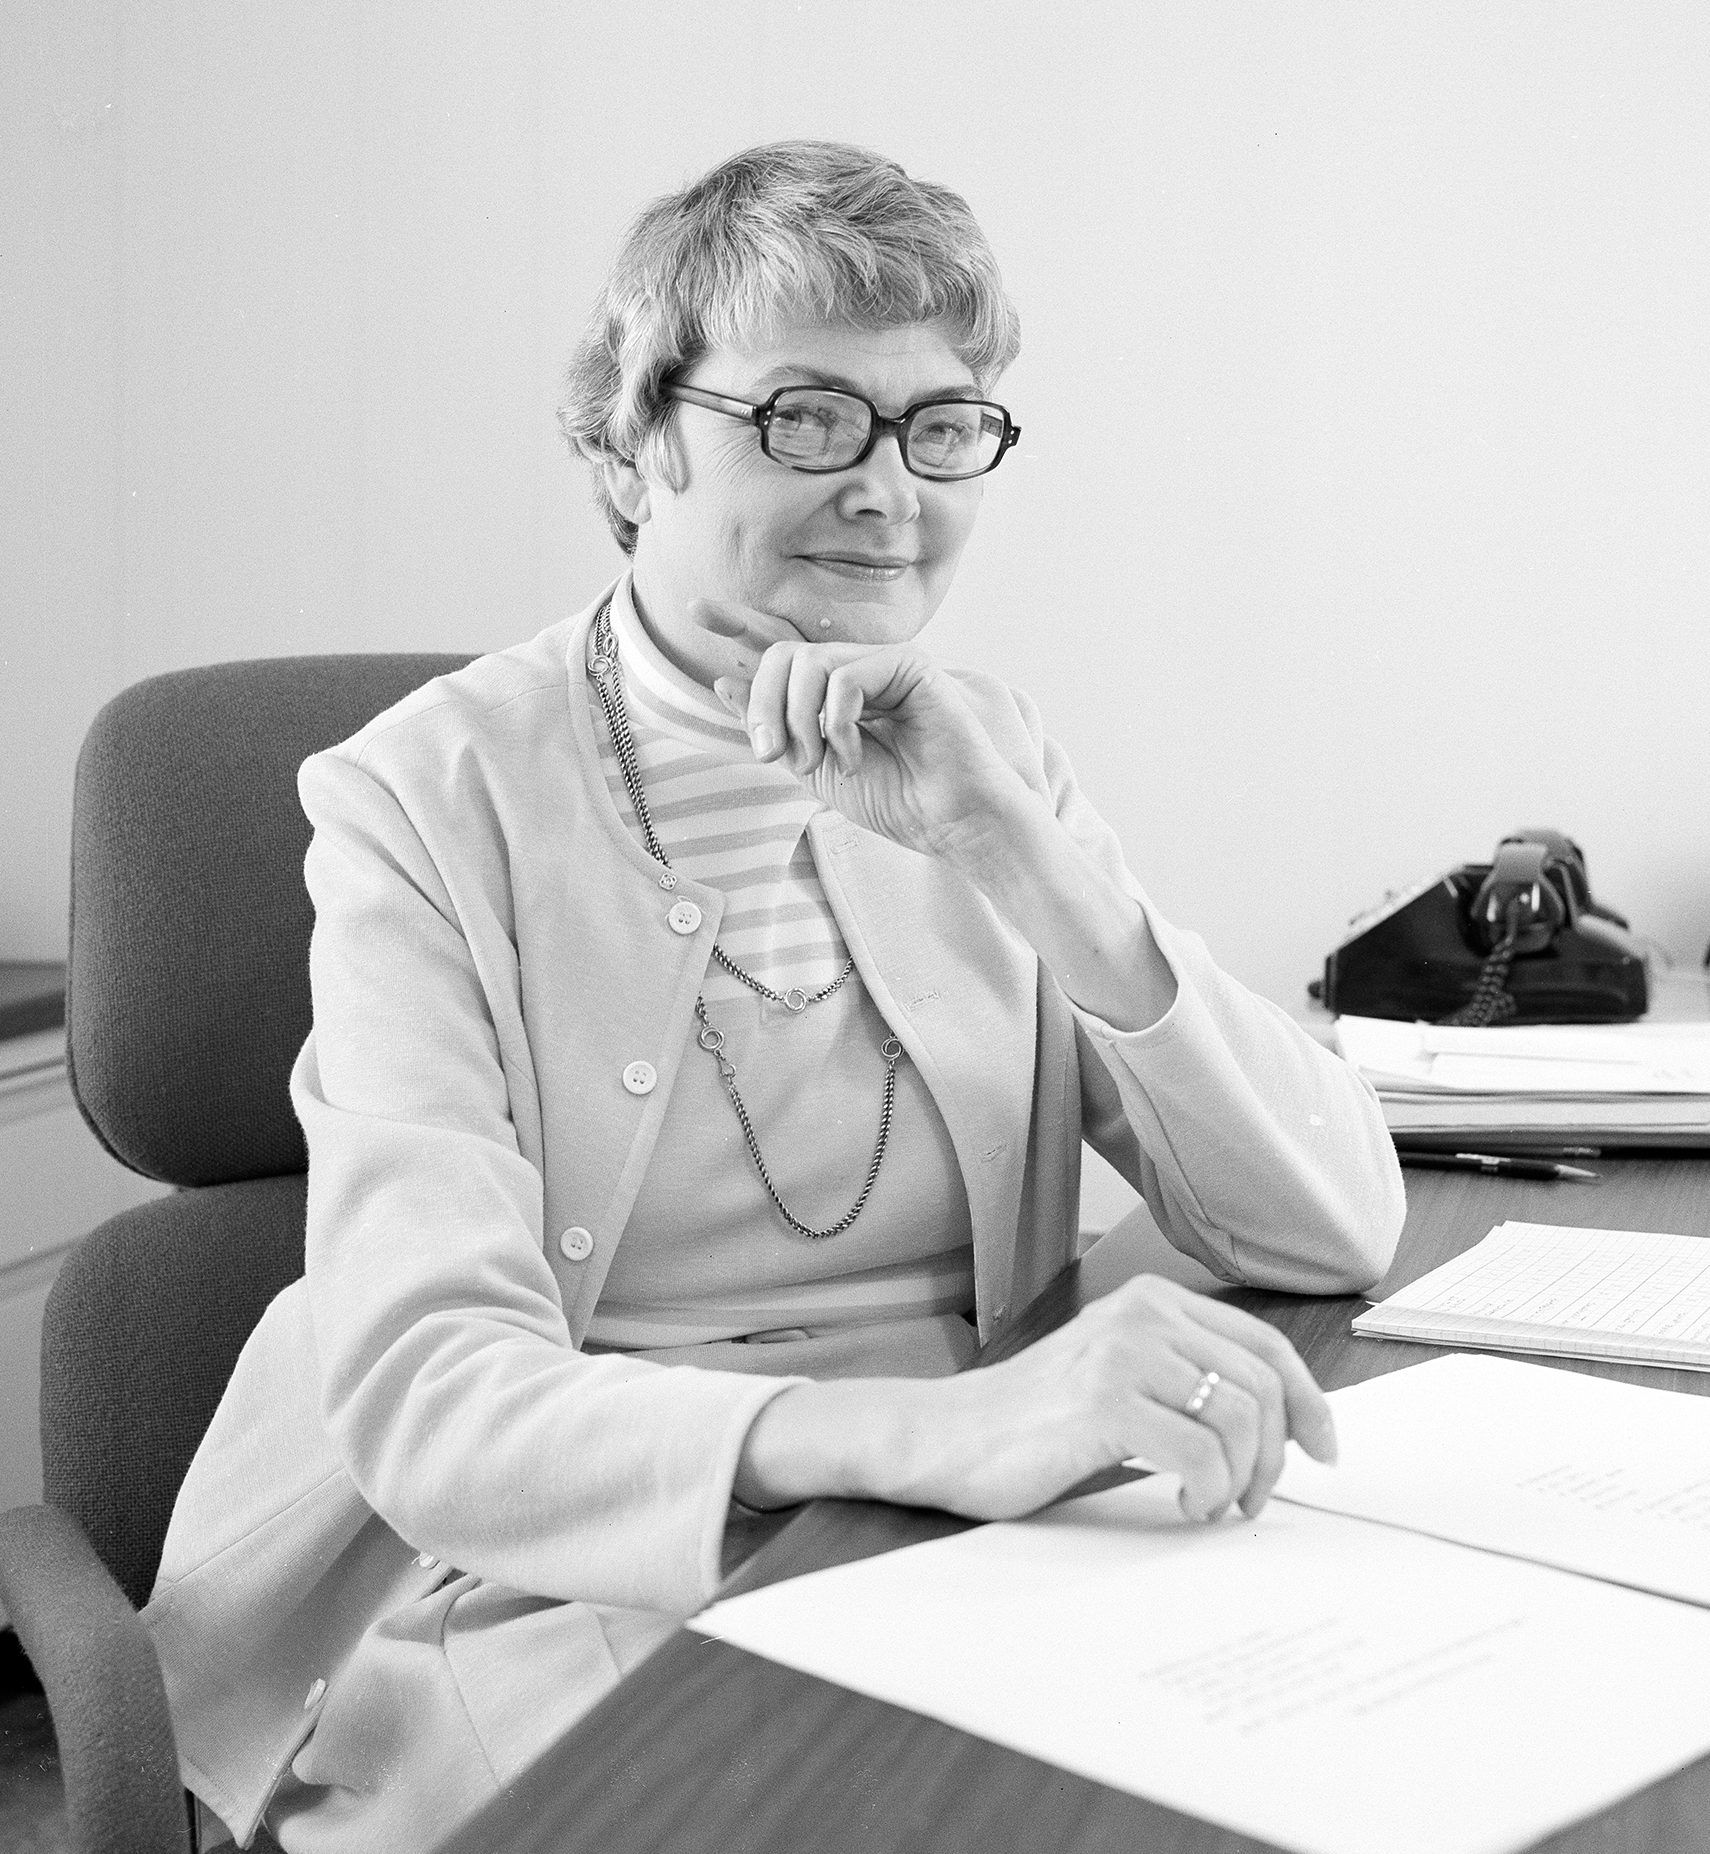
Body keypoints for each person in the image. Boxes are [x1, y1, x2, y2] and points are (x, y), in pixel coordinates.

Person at [142, 140, 1404, 1852]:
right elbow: (437, 1400)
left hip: (957, 1543)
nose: (890, 488)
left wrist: (1014, 849)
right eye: (807, 413)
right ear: (630, 436)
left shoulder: (985, 748)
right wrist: (943, 1427)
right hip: (548, 1570)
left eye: (942, 422)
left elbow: (1333, 1224)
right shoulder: (421, 798)